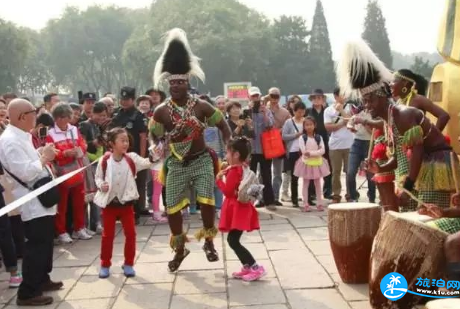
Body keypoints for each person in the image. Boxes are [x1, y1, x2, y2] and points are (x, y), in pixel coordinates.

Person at [337, 39, 460, 211]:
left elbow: (417, 152)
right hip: (421, 166)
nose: (366, 106)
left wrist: (408, 186)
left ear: (381, 97)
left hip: (436, 164)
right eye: (364, 101)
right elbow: (399, 157)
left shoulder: (403, 115)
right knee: (411, 213)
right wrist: (380, 167)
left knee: (428, 216)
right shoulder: (389, 120)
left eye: (369, 100)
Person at [150, 28, 231, 272]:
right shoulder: (161, 111)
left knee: (207, 201)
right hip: (175, 162)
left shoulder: (202, 106)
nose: (175, 86)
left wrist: (229, 146)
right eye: (172, 83)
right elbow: (154, 133)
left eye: (179, 83)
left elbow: (223, 125)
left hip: (201, 160)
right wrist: (160, 141)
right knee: (173, 207)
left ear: (187, 83)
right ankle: (179, 248)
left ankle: (208, 241)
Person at [0, 99, 62, 306]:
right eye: (33, 112)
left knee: (45, 244)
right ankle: (28, 292)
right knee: (36, 246)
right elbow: (25, 172)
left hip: (41, 196)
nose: (37, 116)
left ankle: (42, 279)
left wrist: (41, 154)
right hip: (32, 200)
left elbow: (28, 161)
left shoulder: (22, 136)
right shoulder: (9, 140)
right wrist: (43, 158)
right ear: (21, 116)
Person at [94, 128, 154, 279]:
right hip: (109, 205)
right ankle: (105, 264)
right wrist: (102, 185)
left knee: (131, 234)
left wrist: (155, 154)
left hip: (127, 205)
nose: (125, 143)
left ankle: (128, 264)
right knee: (107, 236)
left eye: (127, 140)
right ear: (112, 143)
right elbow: (98, 178)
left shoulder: (131, 158)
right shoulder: (105, 160)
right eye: (122, 140)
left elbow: (147, 163)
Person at [217, 137, 265, 281]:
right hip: (241, 208)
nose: (226, 156)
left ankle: (255, 267)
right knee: (233, 240)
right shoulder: (242, 167)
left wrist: (218, 179)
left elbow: (228, 192)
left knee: (233, 241)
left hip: (237, 208)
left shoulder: (234, 171)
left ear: (236, 154)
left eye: (227, 153)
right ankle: (247, 266)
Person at [46, 103, 92, 243]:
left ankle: (80, 228)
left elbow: (83, 143)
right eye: (67, 116)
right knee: (62, 205)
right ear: (58, 118)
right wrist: (64, 153)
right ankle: (61, 231)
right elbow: (49, 152)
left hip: (77, 170)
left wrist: (81, 150)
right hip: (61, 173)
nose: (69, 119)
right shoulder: (50, 133)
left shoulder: (74, 129)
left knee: (79, 202)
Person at [109, 87, 148, 224]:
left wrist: (142, 157)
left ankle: (135, 213)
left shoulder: (138, 116)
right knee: (120, 184)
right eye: (122, 99)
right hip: (118, 157)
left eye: (127, 100)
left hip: (133, 155)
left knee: (134, 185)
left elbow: (143, 137)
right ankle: (120, 213)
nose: (124, 102)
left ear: (133, 100)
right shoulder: (116, 114)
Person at [79, 102, 108, 233]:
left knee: (98, 193)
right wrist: (94, 143)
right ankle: (85, 225)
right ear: (93, 113)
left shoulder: (99, 126)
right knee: (89, 194)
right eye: (100, 115)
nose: (102, 118)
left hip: (99, 161)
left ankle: (96, 223)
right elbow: (83, 144)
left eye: (104, 116)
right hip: (88, 162)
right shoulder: (84, 125)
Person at [247, 86, 276, 210]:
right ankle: (251, 201)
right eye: (253, 96)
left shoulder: (266, 110)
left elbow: (270, 125)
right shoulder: (246, 111)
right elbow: (244, 129)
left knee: (266, 175)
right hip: (251, 150)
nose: (255, 98)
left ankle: (269, 201)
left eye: (257, 96)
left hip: (265, 149)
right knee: (251, 177)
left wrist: (264, 113)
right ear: (249, 97)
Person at [294, 116, 331, 212]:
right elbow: (303, 151)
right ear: (304, 126)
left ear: (315, 125)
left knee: (318, 183)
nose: (309, 127)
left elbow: (322, 150)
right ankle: (305, 203)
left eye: (311, 124)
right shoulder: (302, 138)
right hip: (306, 163)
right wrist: (315, 152)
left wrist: (311, 153)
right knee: (305, 183)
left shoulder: (319, 137)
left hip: (317, 163)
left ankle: (319, 203)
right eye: (307, 125)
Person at [324, 88, 354, 203]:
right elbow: (328, 127)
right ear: (336, 96)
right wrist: (342, 123)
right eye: (342, 94)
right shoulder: (328, 110)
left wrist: (341, 110)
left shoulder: (350, 107)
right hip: (335, 145)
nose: (345, 96)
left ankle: (349, 194)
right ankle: (336, 194)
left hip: (349, 144)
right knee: (336, 172)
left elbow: (350, 122)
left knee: (349, 171)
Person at [346, 99, 376, 203]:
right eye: (364, 102)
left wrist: (364, 123)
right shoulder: (358, 114)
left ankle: (372, 197)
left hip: (370, 144)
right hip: (356, 143)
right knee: (350, 172)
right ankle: (354, 196)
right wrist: (351, 127)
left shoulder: (374, 116)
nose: (366, 104)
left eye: (367, 102)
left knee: (370, 174)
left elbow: (373, 133)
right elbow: (349, 124)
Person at [306, 89, 332, 201]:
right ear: (311, 99)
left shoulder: (327, 111)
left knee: (327, 166)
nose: (317, 100)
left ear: (323, 99)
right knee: (312, 167)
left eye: (319, 97)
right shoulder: (308, 112)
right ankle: (311, 193)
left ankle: (327, 191)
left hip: (325, 141)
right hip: (312, 141)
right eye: (315, 98)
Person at [268, 87, 291, 206]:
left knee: (277, 172)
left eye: (276, 96)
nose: (274, 99)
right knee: (263, 172)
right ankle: (264, 197)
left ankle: (276, 196)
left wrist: (278, 131)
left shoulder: (285, 112)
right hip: (265, 145)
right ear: (268, 96)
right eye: (272, 96)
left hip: (278, 144)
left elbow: (288, 126)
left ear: (280, 96)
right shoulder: (263, 109)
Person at [282, 101, 306, 207]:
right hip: (292, 151)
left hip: (305, 151)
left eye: (302, 112)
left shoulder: (306, 121)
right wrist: (295, 135)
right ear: (294, 111)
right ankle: (294, 199)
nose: (301, 114)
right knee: (294, 176)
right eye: (299, 112)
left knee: (307, 175)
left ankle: (307, 197)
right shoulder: (289, 122)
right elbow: (284, 136)